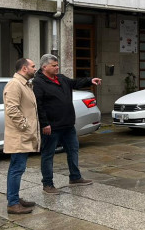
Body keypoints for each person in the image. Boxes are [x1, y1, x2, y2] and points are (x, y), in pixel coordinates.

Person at [33, 53, 101, 194]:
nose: (57, 67)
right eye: (54, 65)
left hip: (68, 125)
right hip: (51, 127)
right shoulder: (38, 82)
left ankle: (75, 177)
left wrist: (90, 80)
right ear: (44, 67)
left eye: (57, 65)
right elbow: (38, 105)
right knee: (48, 155)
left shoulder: (61, 78)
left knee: (73, 150)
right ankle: (47, 184)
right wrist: (44, 124)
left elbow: (75, 83)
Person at [3, 58, 40, 214]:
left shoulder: (25, 84)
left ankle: (15, 198)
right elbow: (11, 109)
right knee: (17, 169)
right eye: (33, 66)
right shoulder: (15, 84)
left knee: (17, 168)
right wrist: (25, 126)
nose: (35, 69)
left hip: (23, 135)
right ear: (24, 68)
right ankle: (12, 203)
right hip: (19, 135)